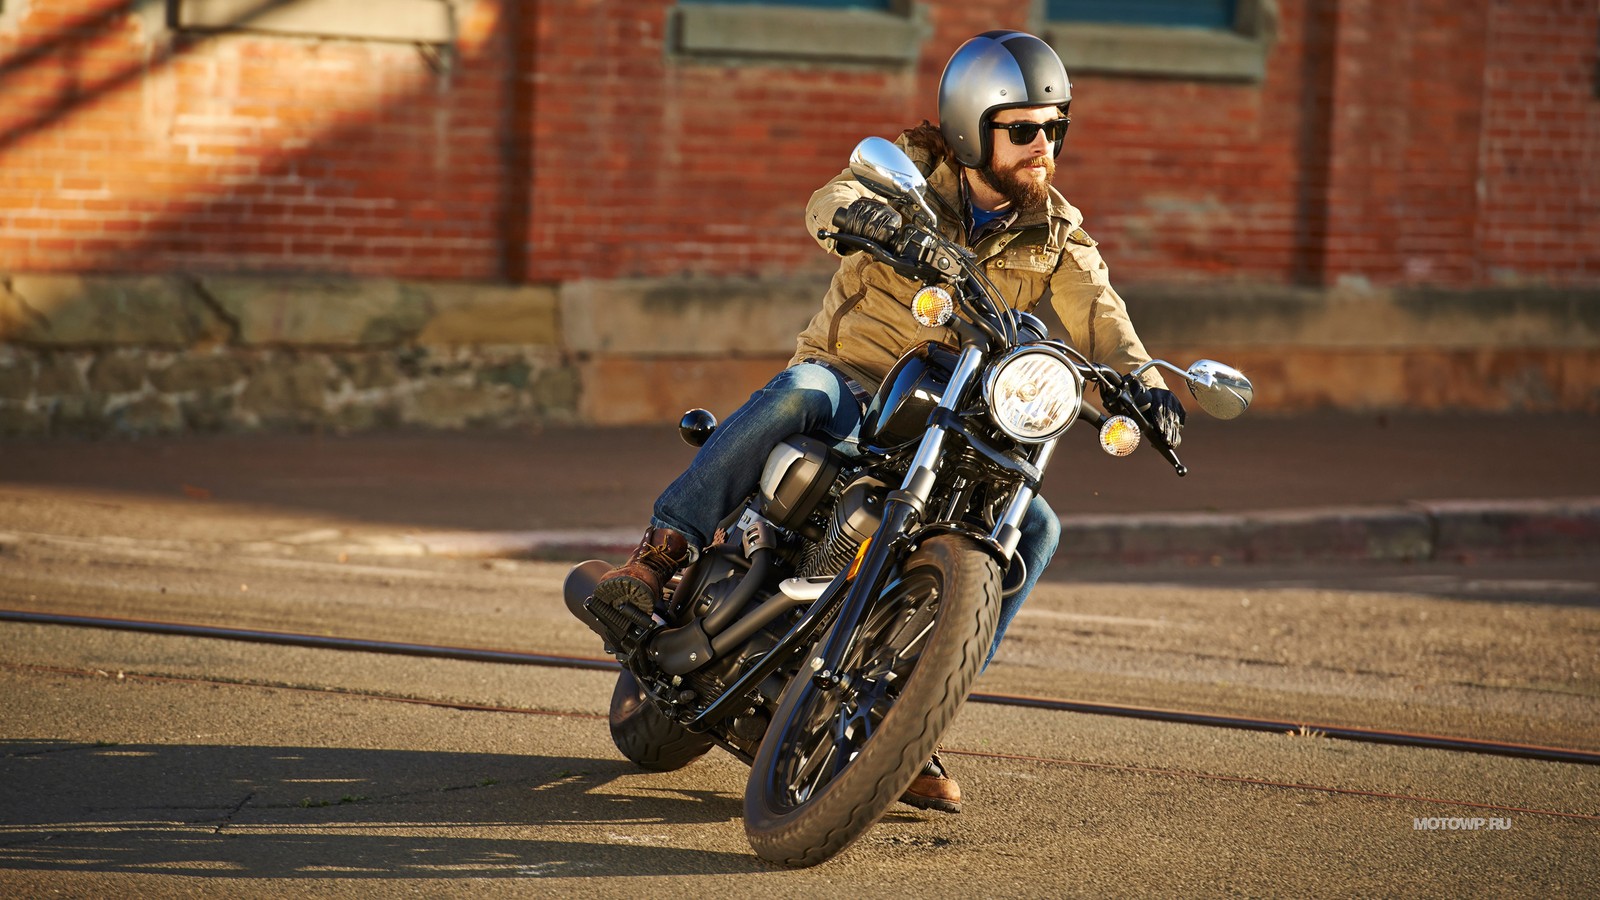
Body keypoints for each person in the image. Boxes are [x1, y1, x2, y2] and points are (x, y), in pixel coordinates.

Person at [592, 30, 1185, 814]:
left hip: (953, 407)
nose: (1044, 144)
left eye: (1055, 128)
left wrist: (1146, 386)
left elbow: (1103, 318)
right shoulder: (911, 174)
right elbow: (829, 201)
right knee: (797, 391)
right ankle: (658, 554)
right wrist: (880, 227)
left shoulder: (1056, 231)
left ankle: (907, 715)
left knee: (1036, 528)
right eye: (1024, 128)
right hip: (856, 381)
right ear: (975, 125)